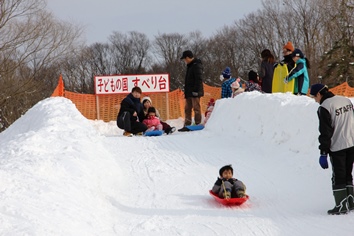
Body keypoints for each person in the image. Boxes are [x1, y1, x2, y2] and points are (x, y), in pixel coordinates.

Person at [310, 84, 354, 215]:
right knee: (347, 173)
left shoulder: (324, 107)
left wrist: (323, 152)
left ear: (319, 94)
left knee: (338, 176)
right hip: (352, 143)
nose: (315, 100)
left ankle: (341, 205)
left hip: (338, 146)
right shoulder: (345, 100)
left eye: (314, 97)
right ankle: (350, 202)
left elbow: (325, 132)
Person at [178, 50, 204, 132]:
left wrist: (195, 90)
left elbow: (199, 79)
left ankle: (197, 123)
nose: (185, 61)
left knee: (196, 107)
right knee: (187, 108)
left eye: (185, 59)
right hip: (189, 92)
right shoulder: (190, 65)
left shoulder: (196, 65)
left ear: (188, 57)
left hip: (195, 91)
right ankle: (187, 124)